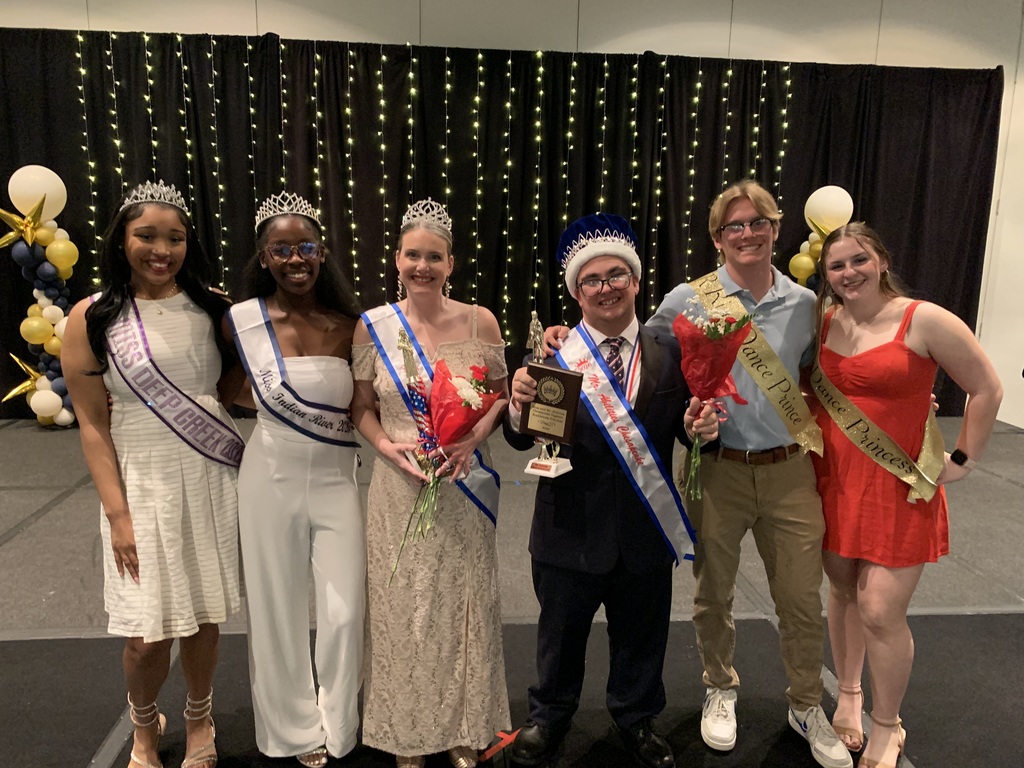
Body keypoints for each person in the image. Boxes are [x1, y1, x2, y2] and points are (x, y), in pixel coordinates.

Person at [546, 182, 851, 767]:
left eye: (758, 222)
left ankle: (807, 704)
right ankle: (719, 687)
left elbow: (827, 377)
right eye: (734, 225)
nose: (747, 233)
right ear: (717, 237)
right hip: (716, 467)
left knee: (799, 598)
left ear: (775, 228)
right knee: (713, 593)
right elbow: (624, 344)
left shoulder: (806, 304)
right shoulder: (688, 298)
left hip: (789, 470)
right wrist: (561, 337)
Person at [505, 213, 718, 768]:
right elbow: (522, 437)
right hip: (568, 526)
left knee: (642, 635)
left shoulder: (671, 350)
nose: (606, 287)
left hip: (645, 527)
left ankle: (637, 717)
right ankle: (549, 715)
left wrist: (700, 429)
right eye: (592, 280)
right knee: (559, 635)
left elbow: (688, 431)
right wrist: (518, 405)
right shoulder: (552, 354)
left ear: (636, 281)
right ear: (577, 291)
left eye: (616, 275)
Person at [809, 223, 1002, 768]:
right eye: (837, 266)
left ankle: (887, 725)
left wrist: (962, 459)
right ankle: (849, 695)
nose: (849, 272)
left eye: (859, 260)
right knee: (843, 590)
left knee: (880, 609)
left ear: (882, 261)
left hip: (898, 488)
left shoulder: (924, 319)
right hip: (834, 481)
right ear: (827, 275)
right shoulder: (824, 321)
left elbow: (987, 387)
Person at [62, 181, 241, 768]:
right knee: (144, 633)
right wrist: (118, 516)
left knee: (203, 614)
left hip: (207, 474)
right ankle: (145, 726)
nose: (161, 250)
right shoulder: (92, 316)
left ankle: (199, 718)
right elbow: (93, 424)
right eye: (147, 236)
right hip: (139, 480)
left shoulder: (213, 307)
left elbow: (233, 386)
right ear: (122, 240)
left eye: (175, 238)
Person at [350, 198, 511, 768]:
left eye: (434, 257)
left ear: (451, 264)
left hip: (461, 481)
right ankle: (408, 732)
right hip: (398, 487)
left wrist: (472, 439)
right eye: (413, 256)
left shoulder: (479, 321)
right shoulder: (372, 326)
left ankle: (465, 726)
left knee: (463, 606)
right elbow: (360, 407)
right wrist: (386, 446)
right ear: (396, 259)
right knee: (402, 609)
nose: (423, 267)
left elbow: (499, 397)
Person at [223, 192, 364, 767]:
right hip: (270, 476)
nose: (295, 259)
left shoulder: (350, 326)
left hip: (336, 480)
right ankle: (294, 732)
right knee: (275, 607)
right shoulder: (241, 321)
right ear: (263, 258)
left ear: (322, 252)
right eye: (280, 250)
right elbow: (222, 387)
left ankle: (338, 723)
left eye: (305, 247)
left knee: (344, 611)